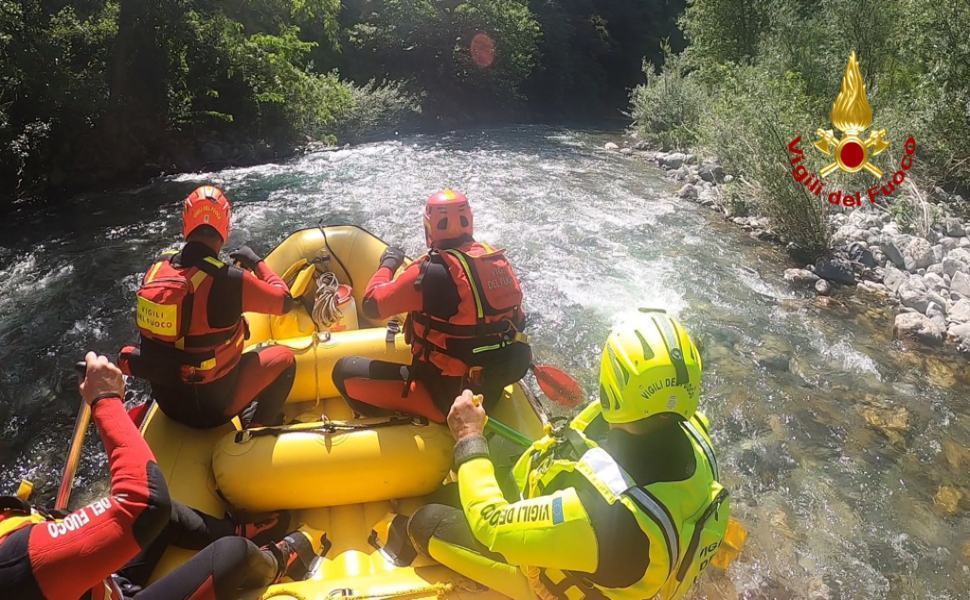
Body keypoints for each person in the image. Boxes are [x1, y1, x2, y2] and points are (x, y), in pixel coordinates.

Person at [407, 310, 730, 599]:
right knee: (472, 480)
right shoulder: (695, 430)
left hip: (567, 575)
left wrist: (469, 437)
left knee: (424, 523)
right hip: (625, 549)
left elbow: (491, 525)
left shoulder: (602, 512)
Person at [0, 352, 314, 599]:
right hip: (93, 586)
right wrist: (106, 399)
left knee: (172, 517)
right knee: (232, 553)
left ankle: (240, 529)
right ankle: (278, 560)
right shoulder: (18, 562)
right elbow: (144, 503)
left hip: (94, 583)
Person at [333, 189, 531, 422]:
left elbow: (371, 304)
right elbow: (519, 322)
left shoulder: (431, 273)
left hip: (445, 397)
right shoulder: (495, 261)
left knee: (343, 371)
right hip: (490, 388)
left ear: (430, 226)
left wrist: (388, 263)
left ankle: (392, 419)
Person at [120, 185, 296, 428]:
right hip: (211, 411)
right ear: (225, 228)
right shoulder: (231, 280)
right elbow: (285, 302)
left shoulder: (155, 272)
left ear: (185, 226)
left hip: (168, 404)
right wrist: (257, 262)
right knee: (286, 359)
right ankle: (255, 432)